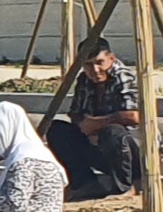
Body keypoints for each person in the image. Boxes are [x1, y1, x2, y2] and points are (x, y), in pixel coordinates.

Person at [48, 39, 143, 202]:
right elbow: (75, 113)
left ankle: (125, 187)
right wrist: (83, 126)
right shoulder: (84, 79)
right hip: (99, 145)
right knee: (57, 130)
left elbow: (133, 116)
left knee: (113, 132)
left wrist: (96, 124)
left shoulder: (123, 77)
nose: (95, 70)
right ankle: (85, 184)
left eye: (100, 63)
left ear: (111, 59)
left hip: (132, 151)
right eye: (88, 65)